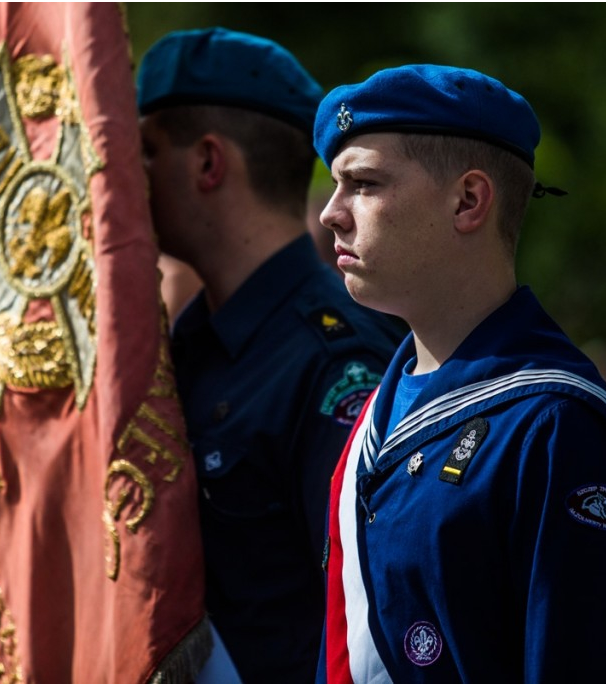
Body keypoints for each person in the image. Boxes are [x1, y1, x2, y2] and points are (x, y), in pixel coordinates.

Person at [313, 64, 606, 682]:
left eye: (363, 183)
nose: (331, 215)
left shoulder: (556, 425)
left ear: (469, 200)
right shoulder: (380, 410)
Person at [136, 28, 404, 682]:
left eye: (145, 150)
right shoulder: (189, 341)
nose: (124, 176)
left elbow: (372, 620)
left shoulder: (336, 361)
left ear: (208, 163)